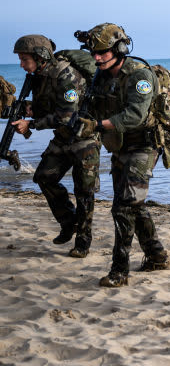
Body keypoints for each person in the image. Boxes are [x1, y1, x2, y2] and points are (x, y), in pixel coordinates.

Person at [77, 23, 170, 287]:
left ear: (119, 49)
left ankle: (120, 271)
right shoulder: (102, 75)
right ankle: (157, 256)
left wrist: (97, 125)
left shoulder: (139, 75)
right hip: (120, 146)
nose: (97, 58)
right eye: (94, 53)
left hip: (144, 145)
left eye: (102, 52)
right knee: (134, 205)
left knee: (123, 208)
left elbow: (135, 115)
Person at [10, 35, 101, 257]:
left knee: (84, 191)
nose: (21, 64)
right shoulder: (40, 76)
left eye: (24, 59)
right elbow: (48, 107)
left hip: (85, 139)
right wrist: (30, 110)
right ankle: (69, 222)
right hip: (63, 138)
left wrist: (31, 124)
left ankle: (83, 242)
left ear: (40, 56)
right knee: (44, 177)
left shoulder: (66, 74)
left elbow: (67, 116)